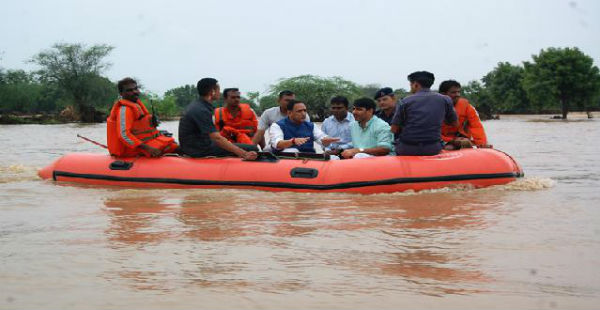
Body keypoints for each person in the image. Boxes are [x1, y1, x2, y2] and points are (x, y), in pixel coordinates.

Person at [178, 78, 258, 159]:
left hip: (194, 146)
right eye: (218, 89)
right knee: (253, 148)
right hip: (199, 149)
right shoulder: (201, 110)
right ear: (212, 91)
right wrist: (244, 154)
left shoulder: (198, 106)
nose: (219, 92)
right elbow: (217, 138)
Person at [106, 77, 178, 158]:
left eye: (135, 89)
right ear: (121, 93)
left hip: (143, 145)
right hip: (132, 150)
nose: (134, 92)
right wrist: (149, 149)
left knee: (174, 145)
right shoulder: (125, 110)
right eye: (129, 90)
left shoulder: (137, 106)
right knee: (177, 148)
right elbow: (124, 135)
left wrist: (152, 123)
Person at [391, 71, 458, 156]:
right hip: (433, 148)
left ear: (415, 84)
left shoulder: (405, 101)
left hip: (407, 149)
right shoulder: (445, 100)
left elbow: (394, 129)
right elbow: (455, 124)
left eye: (410, 84)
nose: (411, 87)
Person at [269, 99, 339, 153]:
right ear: (289, 113)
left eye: (304, 111)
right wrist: (293, 141)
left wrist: (326, 140)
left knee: (333, 158)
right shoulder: (277, 126)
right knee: (292, 150)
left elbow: (321, 137)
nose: (303, 114)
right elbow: (277, 144)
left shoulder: (311, 126)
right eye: (299, 111)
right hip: (286, 161)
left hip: (308, 159)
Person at [438, 80, 492, 149]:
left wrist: (482, 143)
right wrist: (451, 140)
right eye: (453, 92)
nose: (457, 95)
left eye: (458, 92)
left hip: (462, 140)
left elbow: (476, 126)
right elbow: (430, 131)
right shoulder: (434, 108)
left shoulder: (467, 107)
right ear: (443, 94)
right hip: (442, 140)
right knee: (449, 148)